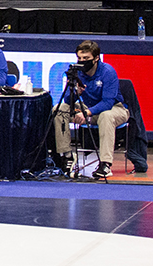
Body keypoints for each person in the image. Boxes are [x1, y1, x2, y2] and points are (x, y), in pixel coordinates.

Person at [51, 39, 129, 180]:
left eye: (86, 58)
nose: (82, 61)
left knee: (106, 116)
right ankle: (67, 156)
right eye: (79, 58)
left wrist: (86, 113)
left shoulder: (107, 72)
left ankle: (105, 164)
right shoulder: (77, 72)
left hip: (115, 109)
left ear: (96, 58)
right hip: (87, 109)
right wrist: (76, 94)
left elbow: (107, 103)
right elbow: (67, 100)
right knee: (59, 109)